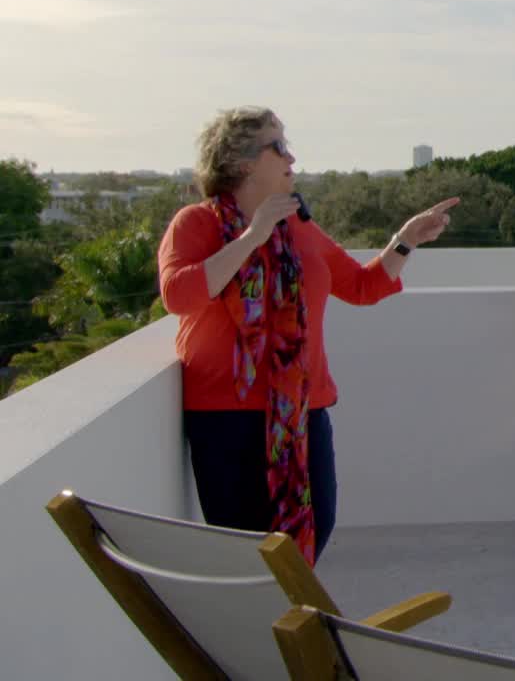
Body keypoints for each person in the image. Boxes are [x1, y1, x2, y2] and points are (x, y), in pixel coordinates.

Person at [158, 107, 457, 562]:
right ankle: (264, 612)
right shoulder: (197, 223)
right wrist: (253, 235)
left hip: (301, 410)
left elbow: (362, 286)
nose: (291, 157)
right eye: (278, 146)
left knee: (315, 527)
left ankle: (288, 608)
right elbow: (179, 295)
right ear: (241, 162)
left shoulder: (300, 227)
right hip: (226, 417)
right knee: (243, 547)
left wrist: (406, 239)